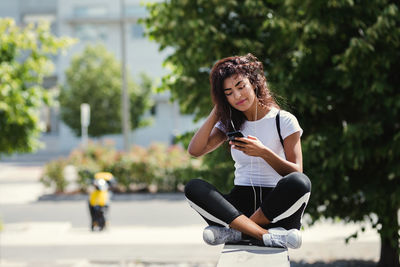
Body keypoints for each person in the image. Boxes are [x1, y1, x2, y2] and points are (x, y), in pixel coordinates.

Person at [184, 53, 311, 249]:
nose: (237, 96)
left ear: (254, 83)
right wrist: (217, 111)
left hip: (275, 208)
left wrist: (263, 152)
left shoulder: (283, 120)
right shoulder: (231, 123)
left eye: (240, 87)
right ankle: (262, 234)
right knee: (194, 187)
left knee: (300, 183)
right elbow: (195, 150)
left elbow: (296, 172)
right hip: (239, 206)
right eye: (228, 93)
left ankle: (236, 232)